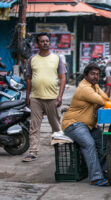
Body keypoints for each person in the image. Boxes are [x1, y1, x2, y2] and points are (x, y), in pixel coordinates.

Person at [62, 63, 111, 186]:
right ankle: (96, 177)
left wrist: (97, 106)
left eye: (97, 74)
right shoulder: (85, 88)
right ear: (85, 75)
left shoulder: (94, 86)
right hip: (74, 124)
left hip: (88, 126)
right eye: (92, 74)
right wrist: (109, 83)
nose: (95, 77)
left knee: (103, 140)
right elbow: (104, 100)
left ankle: (102, 170)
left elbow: (105, 98)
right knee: (89, 144)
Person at [23, 32, 67, 162]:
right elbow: (29, 79)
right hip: (36, 98)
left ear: (49, 43)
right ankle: (33, 152)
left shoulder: (56, 58)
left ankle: (60, 149)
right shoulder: (32, 59)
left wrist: (60, 96)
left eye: (47, 41)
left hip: (52, 97)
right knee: (34, 127)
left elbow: (63, 77)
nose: (45, 43)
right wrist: (28, 96)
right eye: (42, 41)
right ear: (38, 44)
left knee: (56, 126)